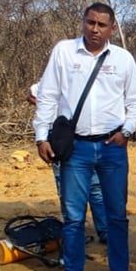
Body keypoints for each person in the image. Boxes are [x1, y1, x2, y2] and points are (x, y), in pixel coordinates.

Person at [33, 3, 136, 271]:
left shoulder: (122, 59)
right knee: (73, 216)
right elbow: (47, 95)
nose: (95, 29)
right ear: (83, 22)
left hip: (112, 148)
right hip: (76, 148)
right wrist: (41, 136)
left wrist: (127, 131)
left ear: (112, 29)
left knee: (117, 216)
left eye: (102, 25)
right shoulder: (64, 52)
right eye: (90, 22)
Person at [27, 83, 108, 243]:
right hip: (60, 136)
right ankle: (77, 233)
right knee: (68, 189)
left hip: (85, 135)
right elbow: (32, 93)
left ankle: (104, 230)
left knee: (95, 187)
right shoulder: (54, 78)